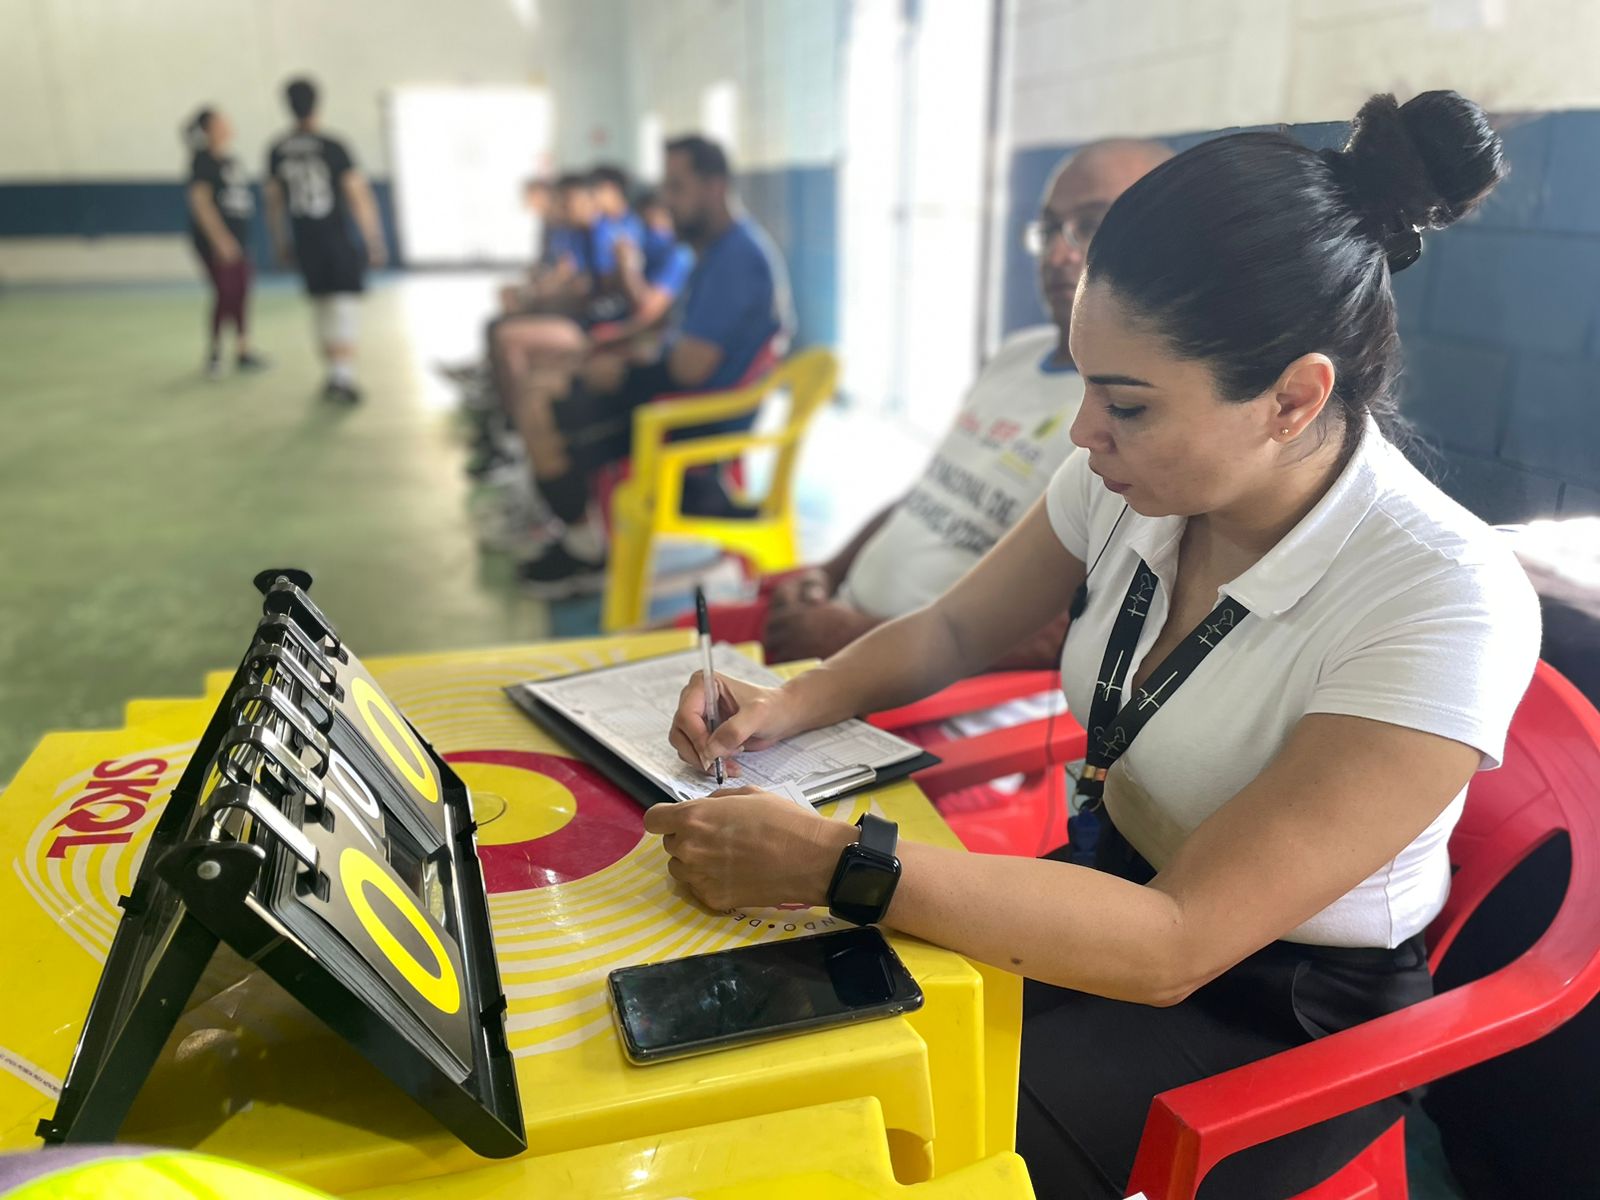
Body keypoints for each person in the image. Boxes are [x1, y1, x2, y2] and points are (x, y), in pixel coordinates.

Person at [655, 91, 1540, 1199]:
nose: (1083, 434)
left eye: (1127, 404)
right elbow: (956, 625)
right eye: (1084, 384)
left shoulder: (1439, 597)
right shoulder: (1135, 478)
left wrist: (836, 864)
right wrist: (786, 702)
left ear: (1292, 397)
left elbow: (1176, 943)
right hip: (1103, 885)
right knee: (782, 1048)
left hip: (1272, 1008)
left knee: (883, 1147)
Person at [699, 141, 1170, 670]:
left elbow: (1071, 630)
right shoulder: (1015, 356)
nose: (1058, 255)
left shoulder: (1132, 414)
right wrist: (825, 574)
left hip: (915, 682)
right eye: (1049, 229)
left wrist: (855, 640)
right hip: (839, 631)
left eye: (1090, 226)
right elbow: (930, 494)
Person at [515, 134, 793, 597]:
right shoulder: (717, 250)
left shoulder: (736, 260)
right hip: (681, 402)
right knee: (552, 380)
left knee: (538, 405)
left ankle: (586, 551)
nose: (666, 200)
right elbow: (667, 330)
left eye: (677, 187)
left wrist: (620, 372)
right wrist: (605, 351)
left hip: (689, 424)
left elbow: (688, 368)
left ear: (714, 187)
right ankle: (577, 530)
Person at [265, 77, 388, 403]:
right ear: (317, 104)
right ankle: (342, 376)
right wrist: (374, 239)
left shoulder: (277, 150)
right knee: (344, 304)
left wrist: (279, 242)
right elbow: (358, 194)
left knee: (320, 305)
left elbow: (273, 203)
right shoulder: (334, 146)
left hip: (305, 239)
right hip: (336, 237)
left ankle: (333, 372)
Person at [184, 108, 268, 377]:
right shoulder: (203, 161)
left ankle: (243, 350)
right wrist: (220, 239)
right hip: (217, 241)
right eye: (221, 122)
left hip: (239, 238)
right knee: (225, 292)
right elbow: (200, 203)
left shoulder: (232, 161)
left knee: (242, 291)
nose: (228, 124)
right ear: (209, 129)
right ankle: (215, 354)